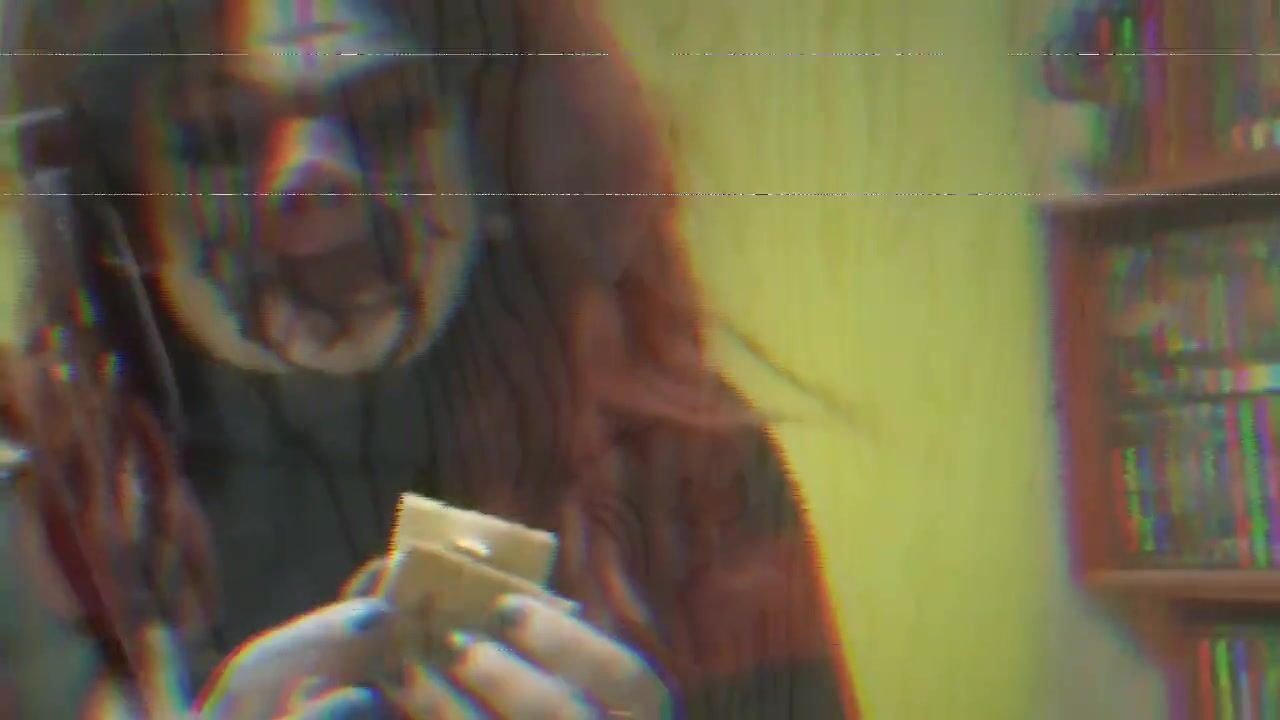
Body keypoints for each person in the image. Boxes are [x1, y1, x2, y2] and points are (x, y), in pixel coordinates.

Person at [4, 0, 859, 716]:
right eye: (220, 136)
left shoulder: (678, 470)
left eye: (387, 117)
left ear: (492, 157)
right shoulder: (31, 500)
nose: (316, 178)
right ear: (126, 206)